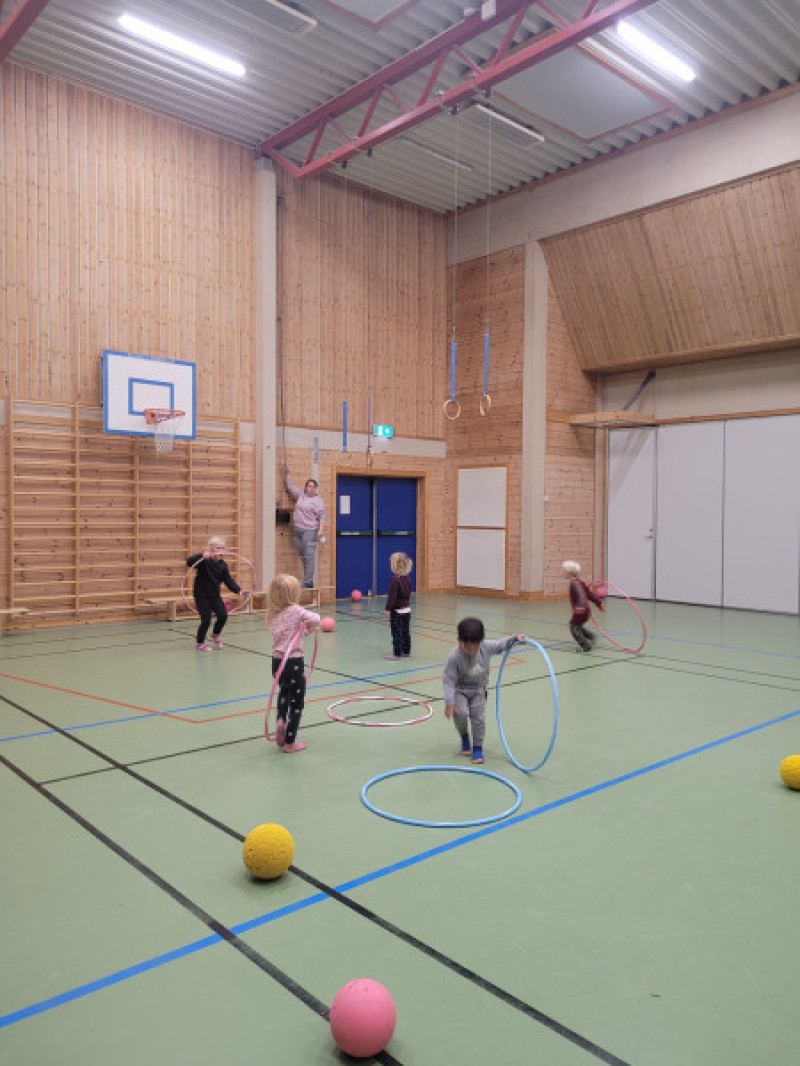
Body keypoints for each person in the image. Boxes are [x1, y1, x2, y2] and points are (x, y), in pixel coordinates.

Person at [443, 617, 526, 765]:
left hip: (479, 690)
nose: (469, 650)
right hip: (460, 690)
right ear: (459, 640)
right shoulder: (453, 657)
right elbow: (449, 680)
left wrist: (515, 639)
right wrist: (450, 701)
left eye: (473, 647)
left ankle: (477, 747)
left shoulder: (486, 647)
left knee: (478, 718)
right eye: (465, 646)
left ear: (480, 642)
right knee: (460, 713)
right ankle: (464, 736)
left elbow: (501, 644)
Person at [267, 573, 321, 753]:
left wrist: (304, 630)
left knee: (284, 693)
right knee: (297, 703)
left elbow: (288, 634)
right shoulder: (296, 610)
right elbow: (316, 618)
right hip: (294, 663)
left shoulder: (274, 614)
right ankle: (290, 742)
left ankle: (280, 720)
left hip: (277, 664)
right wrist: (310, 625)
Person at [186, 536, 242, 652]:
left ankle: (215, 634)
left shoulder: (223, 565)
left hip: (215, 595)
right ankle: (200, 643)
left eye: (223, 548)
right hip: (201, 595)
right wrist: (202, 555)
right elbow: (189, 562)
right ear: (211, 549)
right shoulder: (204, 561)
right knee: (206, 619)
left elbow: (228, 580)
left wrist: (239, 590)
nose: (221, 550)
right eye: (218, 548)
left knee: (223, 615)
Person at [284, 465, 326, 588]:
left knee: (309, 555)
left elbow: (322, 517)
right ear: (306, 487)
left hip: (310, 531)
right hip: (297, 530)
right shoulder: (301, 495)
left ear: (316, 489)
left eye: (314, 486)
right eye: (309, 486)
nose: (311, 488)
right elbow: (290, 487)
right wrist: (287, 474)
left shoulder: (318, 501)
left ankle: (308, 581)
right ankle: (309, 579)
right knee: (302, 554)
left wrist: (320, 530)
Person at [562, 559, 604, 652]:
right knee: (577, 626)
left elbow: (581, 595)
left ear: (569, 572)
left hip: (581, 610)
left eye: (564, 571)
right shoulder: (579, 581)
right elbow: (589, 594)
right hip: (585, 610)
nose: (563, 573)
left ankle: (585, 645)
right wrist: (599, 603)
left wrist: (579, 609)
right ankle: (591, 636)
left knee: (573, 627)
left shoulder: (574, 583)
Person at [383, 551, 413, 660]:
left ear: (395, 565)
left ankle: (397, 653)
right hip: (407, 610)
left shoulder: (394, 580)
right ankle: (406, 650)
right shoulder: (407, 578)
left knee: (396, 632)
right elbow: (408, 594)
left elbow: (392, 596)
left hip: (397, 612)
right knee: (405, 631)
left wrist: (388, 609)